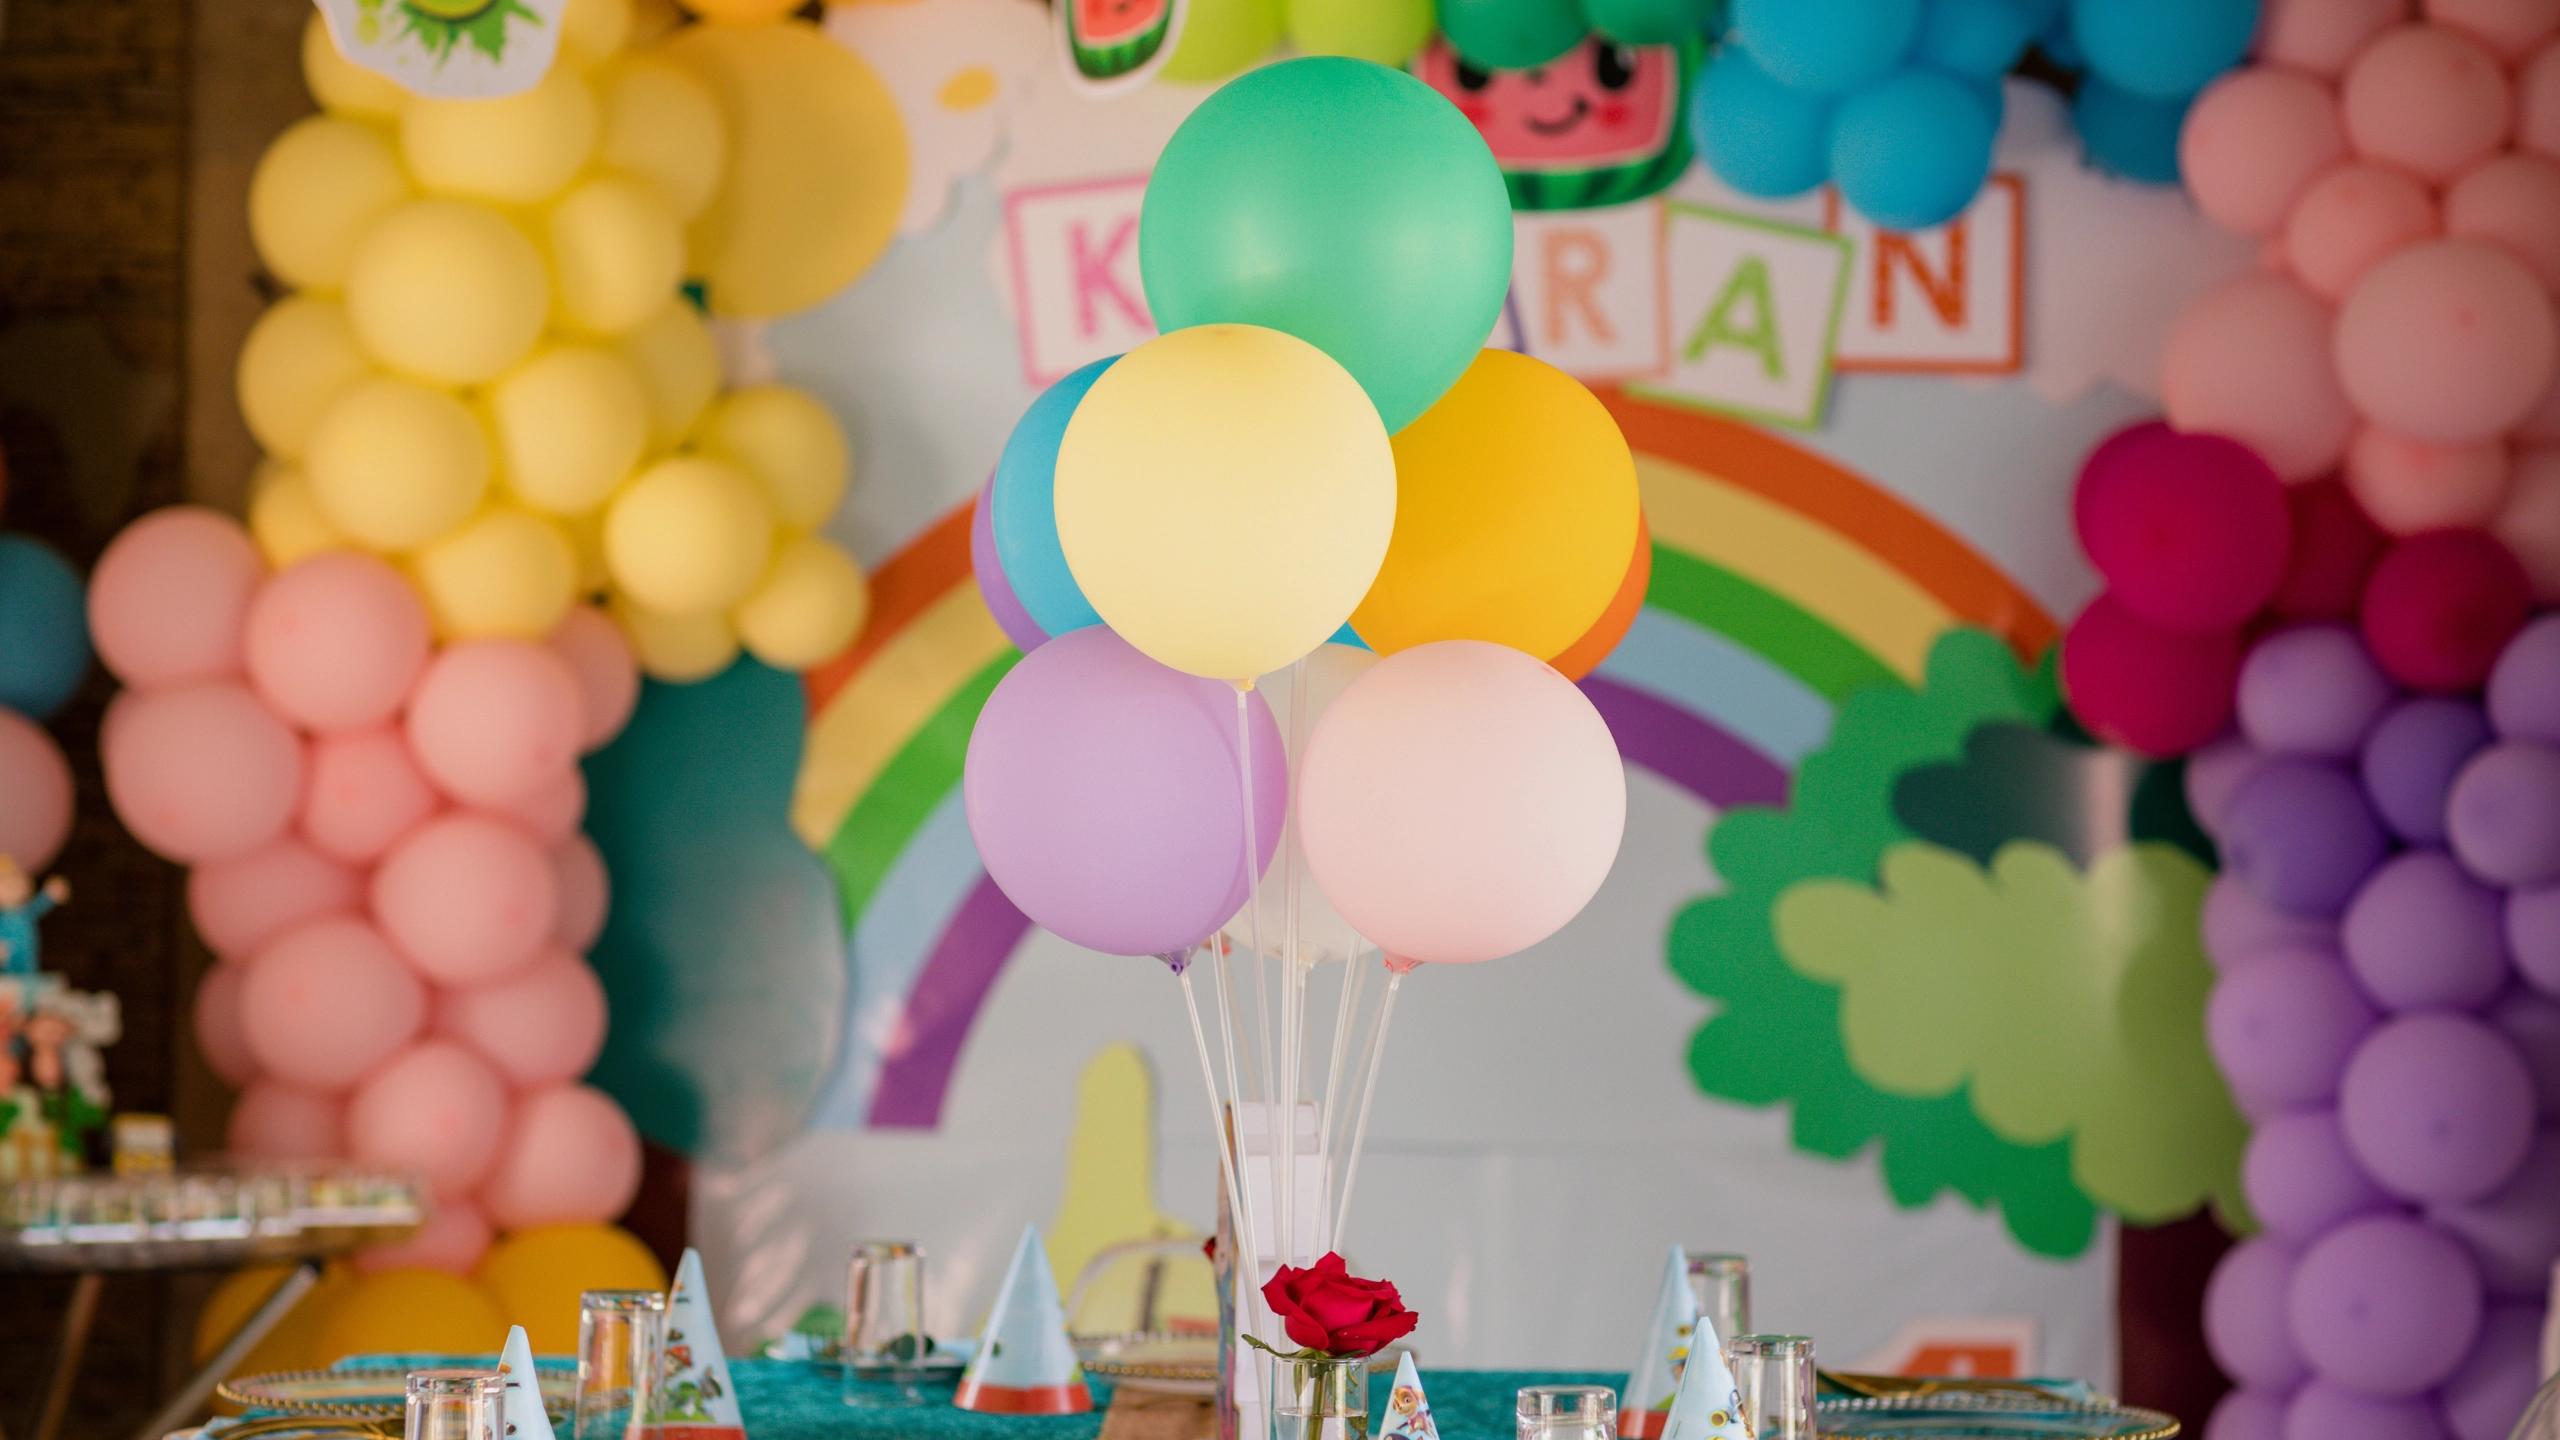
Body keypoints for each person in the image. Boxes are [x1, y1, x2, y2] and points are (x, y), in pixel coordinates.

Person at [0, 855, 69, 977]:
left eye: (16, 879)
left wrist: (50, 894)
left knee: (28, 976)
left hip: (28, 963)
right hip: (5, 963)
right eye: (6, 882)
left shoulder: (26, 912)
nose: (13, 886)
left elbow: (39, 905)